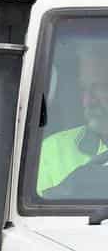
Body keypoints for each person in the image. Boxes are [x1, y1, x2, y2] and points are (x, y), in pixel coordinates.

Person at [38, 45, 108, 195]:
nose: (88, 101)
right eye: (83, 89)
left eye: (99, 88)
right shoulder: (51, 151)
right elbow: (36, 217)